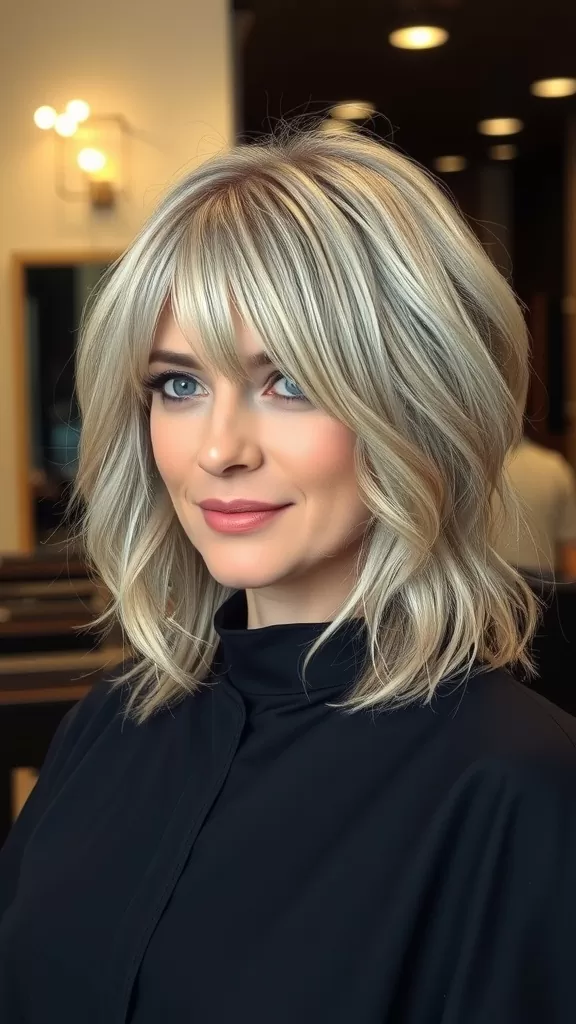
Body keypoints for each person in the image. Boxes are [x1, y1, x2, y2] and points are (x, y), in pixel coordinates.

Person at [1, 125, 575, 1024]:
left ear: (418, 405)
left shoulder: (520, 788)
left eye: (290, 381)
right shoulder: (111, 723)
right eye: (179, 385)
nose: (220, 450)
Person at [492, 434, 576, 581]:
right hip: (545, 591)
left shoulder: (471, 464)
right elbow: (569, 556)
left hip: (484, 587)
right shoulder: (555, 467)